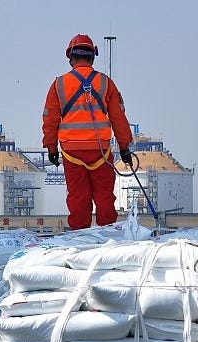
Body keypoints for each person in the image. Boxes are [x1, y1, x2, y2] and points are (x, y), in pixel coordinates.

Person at [42, 34, 134, 230]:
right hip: (100, 151)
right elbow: (118, 117)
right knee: (104, 195)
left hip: (71, 151)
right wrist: (125, 146)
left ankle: (80, 237)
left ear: (70, 58)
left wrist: (51, 148)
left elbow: (50, 119)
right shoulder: (105, 83)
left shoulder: (58, 84)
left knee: (78, 196)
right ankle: (108, 235)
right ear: (92, 57)